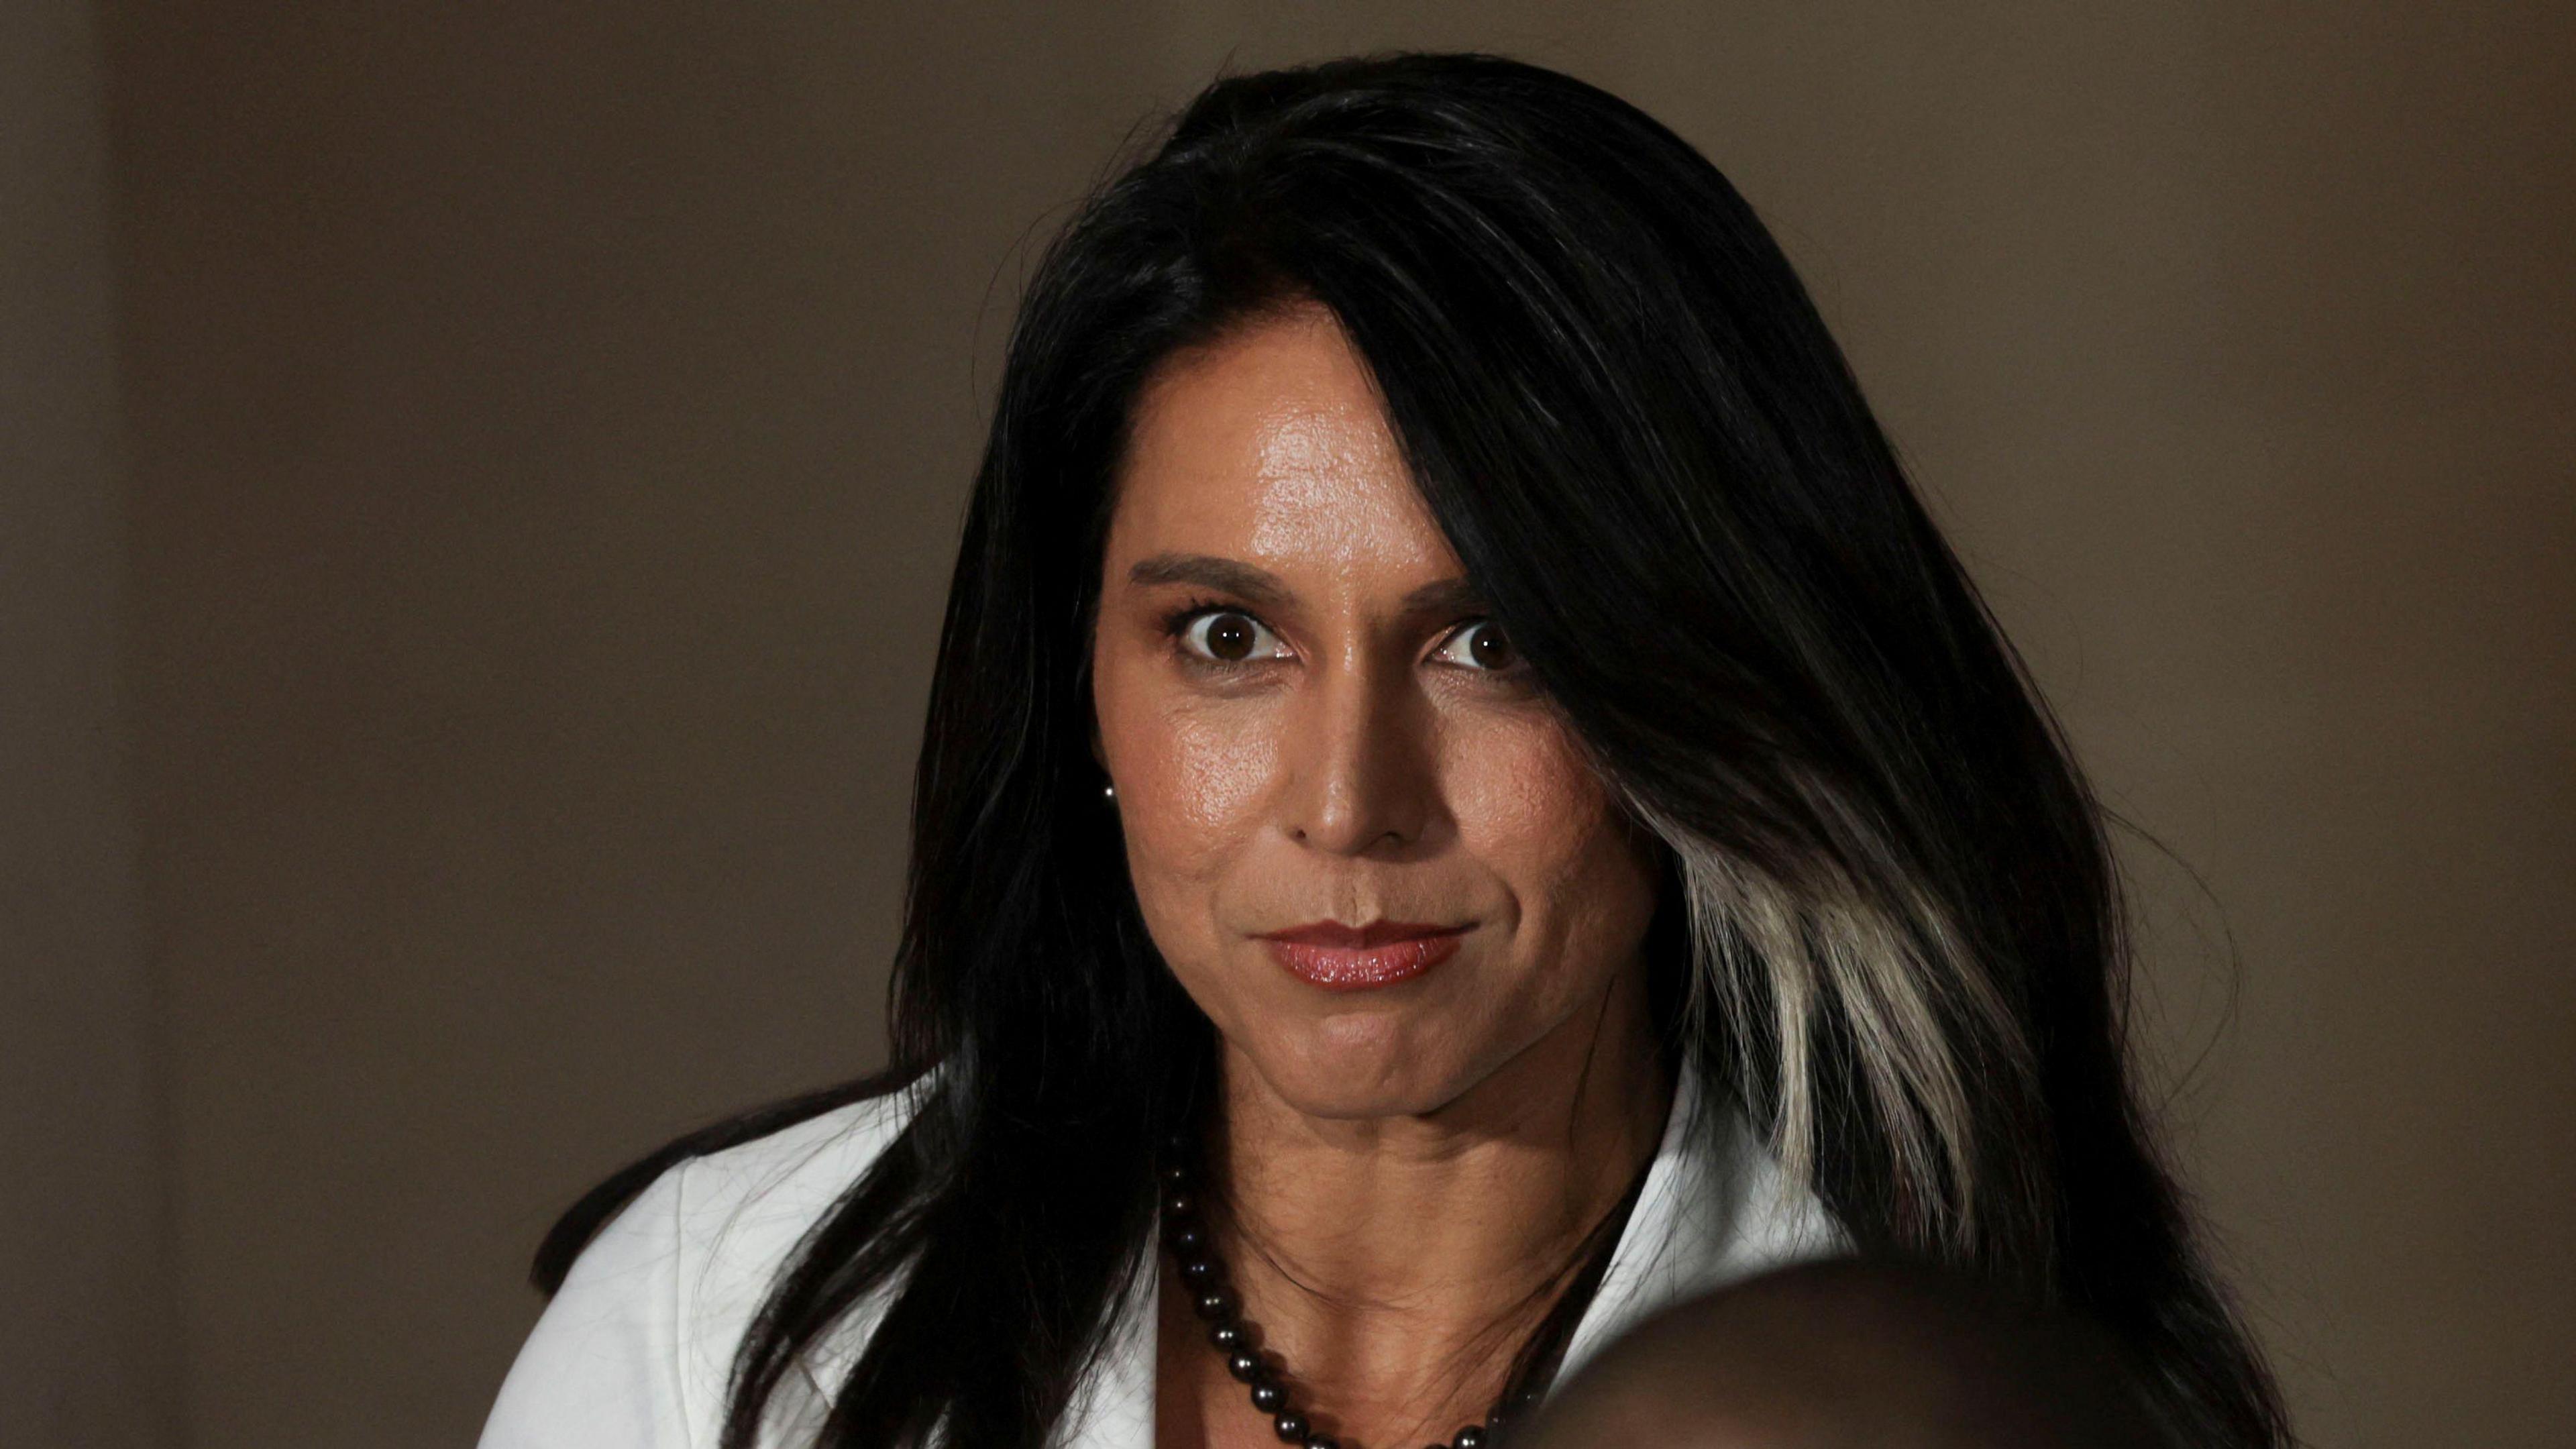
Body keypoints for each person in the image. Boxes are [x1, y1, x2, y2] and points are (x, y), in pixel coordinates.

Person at [476, 52, 2287, 1449]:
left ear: (1695, 693)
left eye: (1491, 642)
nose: (1351, 801)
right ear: (1083, 689)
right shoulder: (719, 1338)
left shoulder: (1943, 1397)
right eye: (1226, 640)